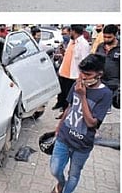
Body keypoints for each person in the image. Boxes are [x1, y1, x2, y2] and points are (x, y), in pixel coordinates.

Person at [51, 54, 113, 193]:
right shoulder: (77, 84)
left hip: (82, 144)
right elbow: (69, 108)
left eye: (88, 74)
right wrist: (58, 127)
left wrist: (82, 96)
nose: (83, 77)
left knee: (73, 175)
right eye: (82, 73)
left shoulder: (105, 94)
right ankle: (60, 184)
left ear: (99, 74)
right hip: (64, 137)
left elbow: (91, 123)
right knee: (55, 169)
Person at [56, 25, 90, 115]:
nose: (68, 34)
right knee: (63, 97)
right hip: (64, 74)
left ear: (73, 31)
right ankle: (64, 114)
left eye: (70, 31)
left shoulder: (83, 44)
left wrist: (81, 78)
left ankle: (68, 116)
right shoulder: (72, 41)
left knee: (70, 99)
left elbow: (84, 62)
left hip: (73, 77)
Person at [96, 24, 120, 98]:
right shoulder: (100, 46)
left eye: (109, 37)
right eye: (104, 37)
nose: (106, 39)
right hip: (100, 81)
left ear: (115, 35)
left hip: (115, 83)